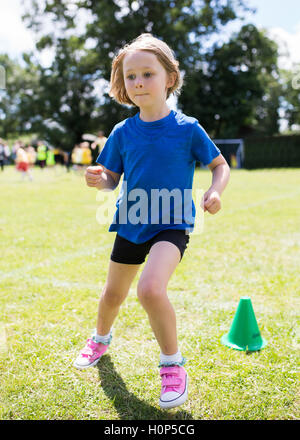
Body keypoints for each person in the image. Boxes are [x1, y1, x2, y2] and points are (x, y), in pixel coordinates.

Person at [73, 34, 230, 409]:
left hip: (172, 224)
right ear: (122, 84)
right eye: (131, 76)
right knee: (113, 295)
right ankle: (100, 339)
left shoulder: (187, 127)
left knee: (150, 290)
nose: (139, 82)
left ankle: (172, 366)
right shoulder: (122, 132)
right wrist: (99, 180)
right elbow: (111, 177)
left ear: (170, 77)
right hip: (131, 222)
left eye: (148, 73)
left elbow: (219, 164)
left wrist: (216, 190)